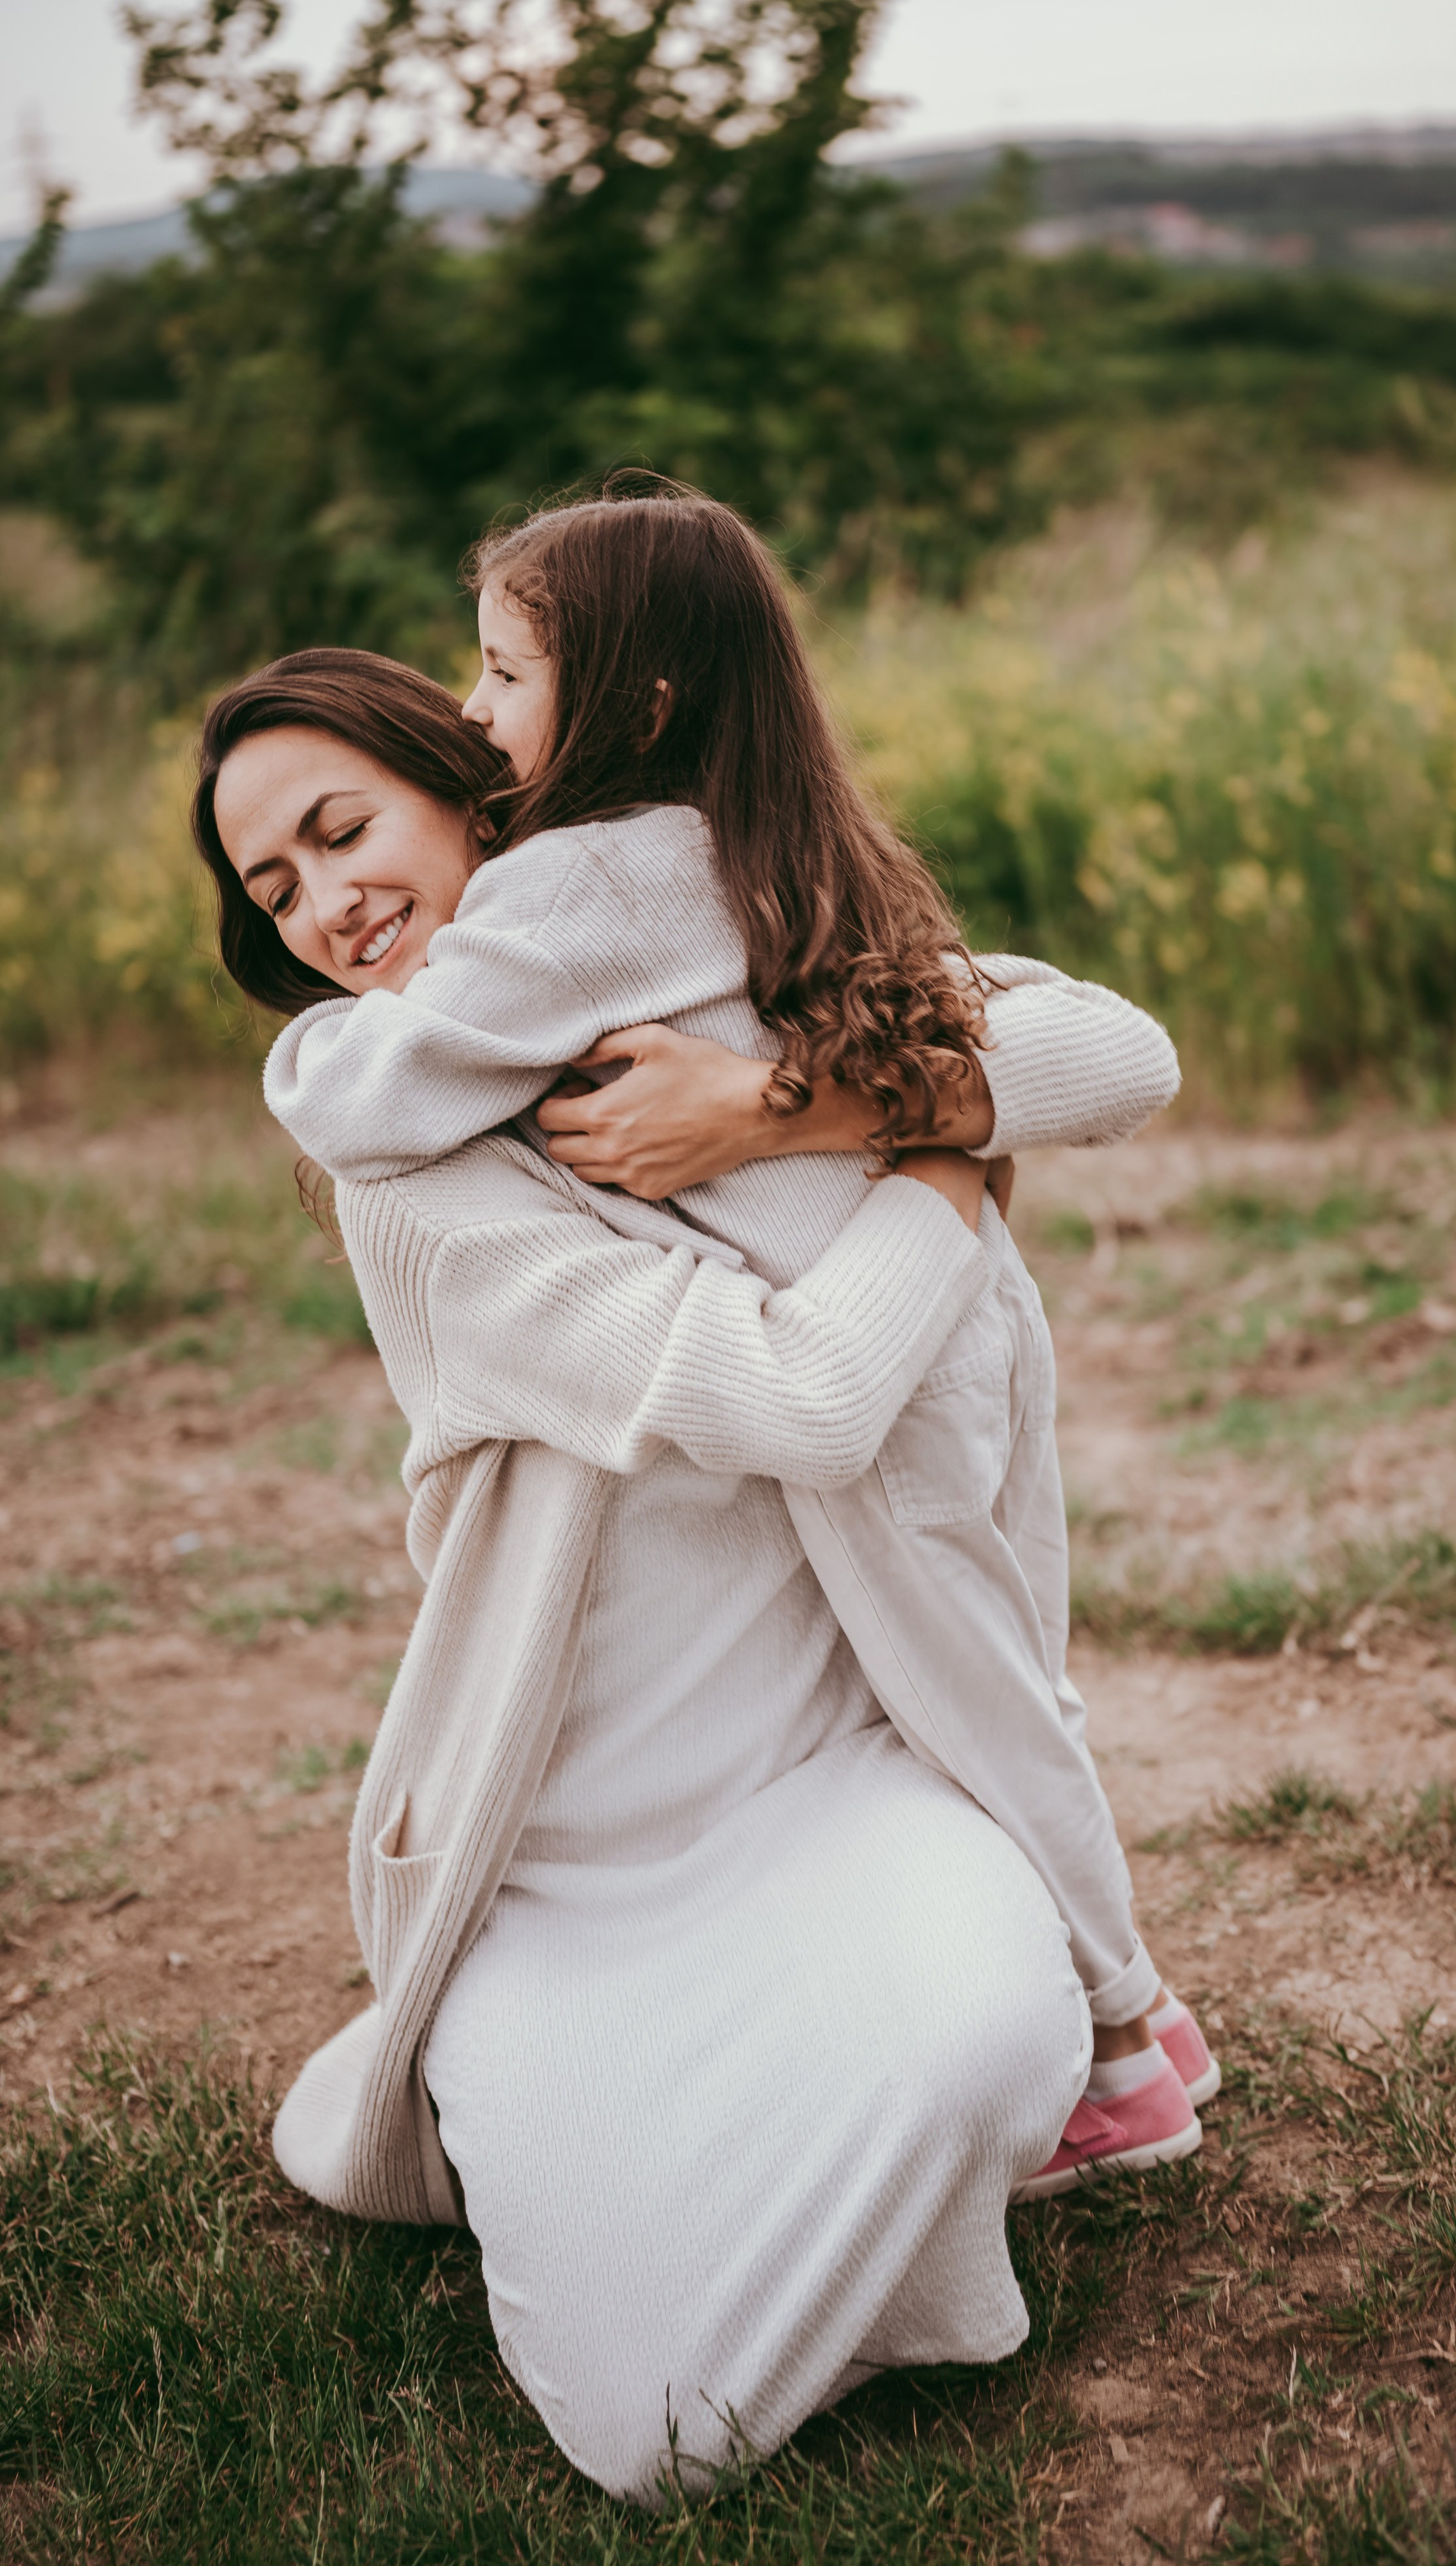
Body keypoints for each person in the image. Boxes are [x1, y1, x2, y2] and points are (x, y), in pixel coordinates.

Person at [192, 649, 1183, 2508]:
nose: (325, 902)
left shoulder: (709, 986)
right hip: (571, 1860)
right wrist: (944, 1175)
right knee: (660, 2431)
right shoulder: (412, 1185)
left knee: (991, 2044)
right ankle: (541, 2106)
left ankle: (897, 2135)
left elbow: (1110, 1054)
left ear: (471, 795)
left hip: (833, 1783)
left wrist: (783, 1106)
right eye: (276, 888)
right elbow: (804, 1397)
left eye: (341, 830)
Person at [252, 487, 1218, 2191]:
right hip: (971, 1327)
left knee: (976, 1698)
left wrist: (302, 1060)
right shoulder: (764, 861)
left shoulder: (569, 888)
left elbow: (385, 1083)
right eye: (275, 883)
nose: (471, 708)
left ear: (632, 705)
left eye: (502, 673)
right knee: (1012, 1668)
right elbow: (1063, 1042)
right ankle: (1132, 2013)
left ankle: (1122, 2035)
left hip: (877, 1369)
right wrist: (883, 1120)